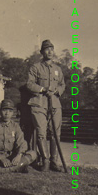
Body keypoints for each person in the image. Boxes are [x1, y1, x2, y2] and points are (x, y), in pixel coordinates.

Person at [27, 39, 65, 172]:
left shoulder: (58, 69)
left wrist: (57, 91)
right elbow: (30, 84)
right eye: (47, 49)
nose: (50, 51)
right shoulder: (35, 67)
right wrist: (43, 89)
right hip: (39, 103)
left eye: (52, 49)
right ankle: (45, 161)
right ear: (42, 52)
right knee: (41, 133)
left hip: (54, 104)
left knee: (56, 134)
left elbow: (62, 85)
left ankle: (54, 161)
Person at [0, 99, 37, 174]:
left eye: (10, 111)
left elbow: (21, 143)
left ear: (12, 113)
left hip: (12, 157)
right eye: (4, 110)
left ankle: (2, 170)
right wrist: (1, 158)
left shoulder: (15, 126)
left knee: (33, 154)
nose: (7, 113)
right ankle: (18, 167)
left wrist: (19, 155)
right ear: (0, 111)